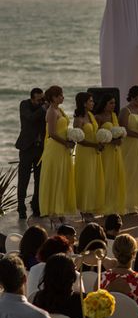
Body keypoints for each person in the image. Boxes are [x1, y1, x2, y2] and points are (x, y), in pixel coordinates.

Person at [39, 85, 76, 221]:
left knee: (63, 177)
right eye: (60, 95)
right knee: (56, 177)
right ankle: (54, 211)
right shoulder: (51, 112)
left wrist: (71, 138)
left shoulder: (59, 109)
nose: (63, 97)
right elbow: (53, 133)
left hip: (63, 148)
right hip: (55, 148)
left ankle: (60, 208)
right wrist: (66, 142)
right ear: (54, 97)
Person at [15, 87, 46, 220]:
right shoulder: (24, 105)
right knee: (23, 179)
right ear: (32, 98)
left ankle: (36, 205)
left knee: (39, 179)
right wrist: (43, 108)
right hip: (27, 148)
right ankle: (21, 207)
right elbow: (31, 118)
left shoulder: (44, 108)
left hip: (40, 148)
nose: (41, 102)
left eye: (42, 99)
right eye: (38, 100)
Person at [73, 92, 105, 219]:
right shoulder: (78, 119)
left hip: (94, 151)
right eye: (91, 101)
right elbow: (78, 139)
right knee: (86, 178)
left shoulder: (91, 115)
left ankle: (91, 206)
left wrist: (101, 141)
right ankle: (84, 209)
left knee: (93, 178)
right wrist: (94, 145)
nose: (93, 103)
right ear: (84, 103)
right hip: (85, 152)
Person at [94, 93, 126, 215]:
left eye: (114, 103)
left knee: (116, 177)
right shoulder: (98, 117)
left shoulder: (114, 116)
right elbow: (97, 136)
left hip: (116, 151)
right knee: (106, 177)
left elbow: (118, 130)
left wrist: (120, 138)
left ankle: (114, 205)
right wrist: (112, 140)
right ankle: (104, 206)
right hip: (106, 151)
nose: (113, 105)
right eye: (111, 103)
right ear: (104, 104)